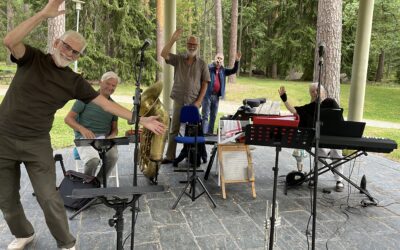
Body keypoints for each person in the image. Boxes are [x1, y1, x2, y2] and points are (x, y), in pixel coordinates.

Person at [0, 1, 165, 250]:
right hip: (3, 137)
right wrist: (44, 14)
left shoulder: (73, 81)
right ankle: (24, 234)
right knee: (6, 198)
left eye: (75, 52)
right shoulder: (32, 58)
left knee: (48, 197)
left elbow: (107, 105)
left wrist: (141, 119)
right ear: (56, 43)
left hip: (36, 143)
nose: (69, 53)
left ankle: (67, 243)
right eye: (66, 46)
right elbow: (10, 40)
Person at [278, 83, 344, 192]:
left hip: (333, 136)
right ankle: (314, 177)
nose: (315, 92)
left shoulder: (331, 102)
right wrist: (284, 99)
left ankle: (339, 180)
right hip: (319, 138)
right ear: (310, 94)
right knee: (321, 153)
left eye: (317, 90)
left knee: (337, 152)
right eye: (312, 91)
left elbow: (338, 118)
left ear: (323, 92)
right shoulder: (310, 107)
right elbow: (294, 111)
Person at [160, 28, 210, 164]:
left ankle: (192, 155)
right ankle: (170, 156)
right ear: (186, 45)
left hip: (194, 101)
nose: (192, 47)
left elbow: (205, 83)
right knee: (174, 129)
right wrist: (172, 39)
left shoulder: (202, 64)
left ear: (197, 47)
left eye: (194, 45)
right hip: (178, 99)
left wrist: (199, 101)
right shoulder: (178, 59)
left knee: (194, 130)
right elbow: (163, 53)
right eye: (189, 44)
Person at [64, 71, 121, 183]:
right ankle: (87, 187)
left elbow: (115, 129)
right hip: (84, 139)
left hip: (104, 140)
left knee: (113, 156)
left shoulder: (113, 106)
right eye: (108, 83)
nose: (110, 87)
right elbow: (68, 119)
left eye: (113, 85)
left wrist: (112, 136)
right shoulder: (85, 98)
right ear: (100, 82)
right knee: (93, 161)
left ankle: (97, 184)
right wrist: (82, 129)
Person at [201, 52, 241, 135]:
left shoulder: (223, 70)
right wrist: (214, 65)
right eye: (217, 58)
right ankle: (203, 133)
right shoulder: (209, 68)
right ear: (215, 58)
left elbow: (234, 70)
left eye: (221, 58)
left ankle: (210, 133)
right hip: (207, 95)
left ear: (223, 60)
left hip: (216, 96)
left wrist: (237, 61)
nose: (219, 60)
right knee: (205, 115)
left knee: (213, 115)